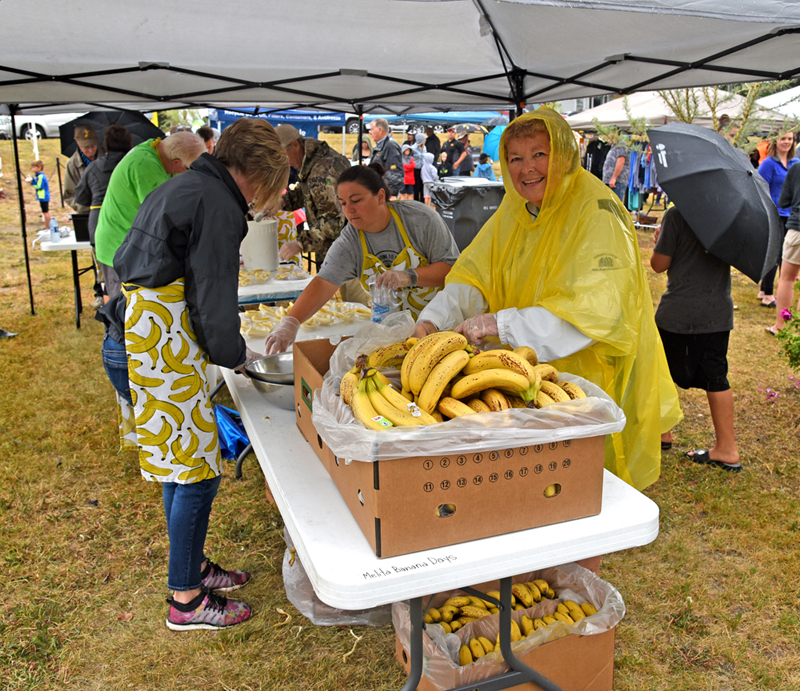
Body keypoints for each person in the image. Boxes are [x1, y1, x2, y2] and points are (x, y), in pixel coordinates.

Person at [413, 108, 682, 491]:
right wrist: (434, 320)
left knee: (582, 486)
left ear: (564, 155)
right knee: (532, 485)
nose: (527, 169)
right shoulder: (514, 209)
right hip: (523, 368)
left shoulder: (597, 209)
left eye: (539, 154)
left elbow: (595, 310)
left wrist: (499, 325)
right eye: (515, 158)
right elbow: (474, 274)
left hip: (586, 375)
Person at [98, 117, 289, 631]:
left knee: (175, 463)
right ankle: (185, 599)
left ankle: (191, 564)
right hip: (166, 343)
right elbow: (212, 294)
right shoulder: (217, 202)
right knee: (198, 471)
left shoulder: (191, 184)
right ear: (263, 171)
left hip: (149, 333)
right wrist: (236, 355)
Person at [264, 163, 460, 354]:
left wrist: (408, 276)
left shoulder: (420, 220)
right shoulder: (350, 241)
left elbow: (454, 270)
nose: (349, 210)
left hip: (440, 328)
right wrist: (291, 323)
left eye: (356, 200)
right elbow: (323, 282)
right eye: (343, 203)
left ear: (380, 196)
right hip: (393, 339)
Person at [651, 207, 741, 472]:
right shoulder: (728, 215)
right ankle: (727, 448)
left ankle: (662, 433)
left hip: (678, 313)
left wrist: (659, 239)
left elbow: (659, 264)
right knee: (716, 376)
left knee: (661, 372)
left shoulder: (677, 215)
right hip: (717, 314)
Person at [94, 131, 205, 298]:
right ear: (176, 162)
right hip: (118, 245)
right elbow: (165, 215)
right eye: (187, 168)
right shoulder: (146, 166)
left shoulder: (159, 149)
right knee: (124, 308)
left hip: (130, 243)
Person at [274, 124, 361, 303]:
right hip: (338, 252)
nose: (285, 162)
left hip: (350, 253)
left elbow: (334, 221)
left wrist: (300, 243)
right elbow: (308, 194)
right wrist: (281, 202)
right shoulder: (312, 162)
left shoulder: (323, 168)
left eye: (284, 155)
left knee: (355, 310)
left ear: (295, 145)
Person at [74, 125, 134, 305]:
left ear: (105, 145)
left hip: (100, 226)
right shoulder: (133, 165)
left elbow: (81, 198)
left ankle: (113, 319)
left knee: (108, 280)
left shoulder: (94, 168)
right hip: (128, 225)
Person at [756, 130, 798, 307]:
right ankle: (767, 293)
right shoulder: (769, 163)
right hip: (774, 213)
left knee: (785, 256)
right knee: (774, 254)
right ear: (775, 141)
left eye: (790, 139)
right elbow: (760, 188)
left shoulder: (796, 163)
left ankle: (769, 290)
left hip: (791, 214)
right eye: (783, 138)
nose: (787, 142)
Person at [768, 160, 800, 335]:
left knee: (787, 279)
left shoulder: (796, 168)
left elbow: (784, 201)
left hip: (797, 228)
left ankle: (780, 325)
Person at [64, 125, 104, 214]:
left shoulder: (108, 157)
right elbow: (70, 195)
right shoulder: (72, 165)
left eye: (93, 145)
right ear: (77, 141)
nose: (90, 150)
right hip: (87, 214)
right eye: (85, 146)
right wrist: (84, 207)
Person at [369, 118, 404, 198]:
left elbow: (395, 171)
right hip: (378, 190)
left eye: (372, 129)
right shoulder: (381, 145)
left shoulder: (390, 145)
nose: (370, 133)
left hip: (386, 193)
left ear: (380, 130)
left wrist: (391, 194)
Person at [601, 133, 630, 203]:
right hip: (610, 181)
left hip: (616, 182)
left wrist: (614, 178)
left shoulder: (621, 145)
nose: (607, 136)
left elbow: (621, 161)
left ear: (616, 133)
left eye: (609, 133)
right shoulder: (614, 146)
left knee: (614, 206)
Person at [27, 160, 50, 228]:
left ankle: (47, 227)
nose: (32, 169)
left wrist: (31, 183)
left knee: (45, 212)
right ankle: (48, 226)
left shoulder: (41, 176)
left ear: (39, 167)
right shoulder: (39, 176)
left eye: (34, 167)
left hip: (43, 196)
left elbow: (39, 186)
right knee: (46, 211)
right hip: (43, 196)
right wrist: (32, 179)